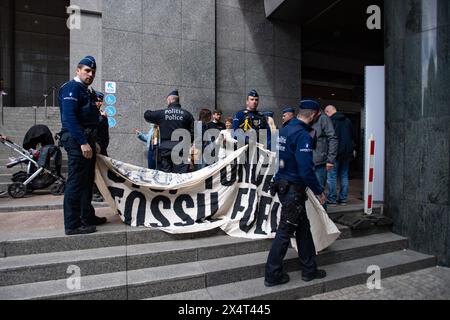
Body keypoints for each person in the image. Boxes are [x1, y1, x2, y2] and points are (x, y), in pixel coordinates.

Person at [265, 99, 327, 287]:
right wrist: (319, 191)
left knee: (303, 229)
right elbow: (306, 169)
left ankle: (309, 270)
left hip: (284, 186)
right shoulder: (302, 135)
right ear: (315, 114)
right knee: (284, 232)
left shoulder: (284, 130)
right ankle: (272, 275)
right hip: (294, 190)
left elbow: (278, 158)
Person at [58, 56, 107, 236]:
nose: (90, 74)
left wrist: (94, 143)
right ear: (78, 70)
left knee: (87, 181)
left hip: (87, 140)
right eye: (87, 70)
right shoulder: (71, 88)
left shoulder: (86, 91)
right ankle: (72, 224)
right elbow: (69, 118)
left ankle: (87, 216)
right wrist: (83, 142)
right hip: (77, 140)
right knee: (76, 183)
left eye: (93, 72)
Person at [144, 90, 194, 174]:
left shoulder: (162, 113)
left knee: (165, 177)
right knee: (180, 178)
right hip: (181, 150)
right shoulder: (187, 114)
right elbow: (194, 132)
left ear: (170, 100)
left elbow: (147, 115)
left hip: (165, 150)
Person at [324, 105, 354, 206]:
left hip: (335, 153)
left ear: (328, 112)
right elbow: (352, 136)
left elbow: (330, 139)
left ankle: (332, 199)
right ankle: (343, 199)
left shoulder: (331, 121)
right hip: (347, 153)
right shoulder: (348, 121)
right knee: (344, 175)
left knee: (331, 177)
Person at [311, 105, 338, 208]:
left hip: (320, 162)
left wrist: (330, 160)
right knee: (311, 193)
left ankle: (324, 220)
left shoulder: (323, 119)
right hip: (310, 161)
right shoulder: (309, 119)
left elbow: (333, 138)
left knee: (319, 191)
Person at [92, 91, 109, 203]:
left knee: (103, 170)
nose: (99, 103)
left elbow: (105, 133)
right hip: (94, 146)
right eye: (97, 100)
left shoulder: (101, 115)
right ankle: (95, 192)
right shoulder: (92, 114)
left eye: (100, 101)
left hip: (102, 146)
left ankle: (100, 191)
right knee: (94, 171)